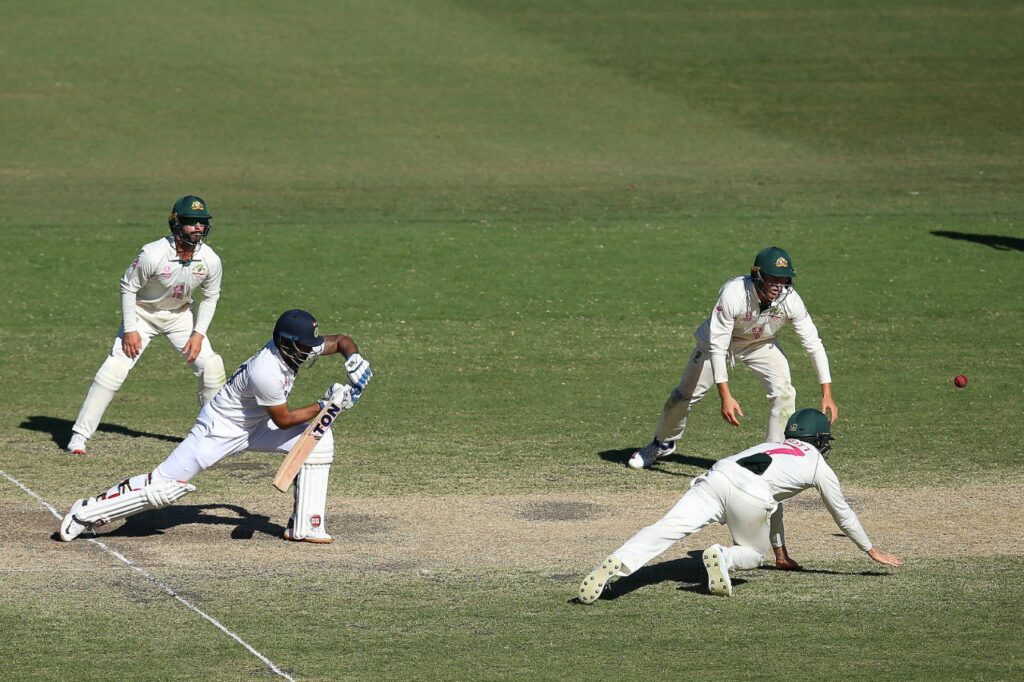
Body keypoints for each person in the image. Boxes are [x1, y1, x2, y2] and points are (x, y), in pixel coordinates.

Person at [58, 309, 373, 544]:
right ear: (287, 343)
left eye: (311, 345)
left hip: (255, 426)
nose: (310, 350)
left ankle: (306, 525)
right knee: (165, 488)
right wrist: (325, 405)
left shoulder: (299, 346)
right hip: (218, 430)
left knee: (319, 439)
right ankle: (87, 511)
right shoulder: (267, 370)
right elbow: (284, 419)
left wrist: (354, 359)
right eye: (305, 346)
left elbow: (342, 340)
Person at [578, 408, 902, 603]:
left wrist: (782, 552)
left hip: (717, 478)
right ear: (819, 440)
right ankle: (724, 556)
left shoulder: (772, 446)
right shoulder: (817, 465)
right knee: (753, 553)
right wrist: (870, 550)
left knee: (665, 529)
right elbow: (841, 512)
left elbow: (778, 505)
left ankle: (618, 562)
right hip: (751, 497)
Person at [629, 246, 838, 470]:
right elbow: (718, 347)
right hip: (718, 344)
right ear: (757, 275)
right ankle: (662, 444)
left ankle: (773, 460)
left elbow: (813, 343)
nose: (778, 286)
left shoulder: (791, 300)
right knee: (681, 398)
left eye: (783, 280)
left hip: (760, 343)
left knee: (785, 393)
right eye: (772, 278)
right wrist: (725, 396)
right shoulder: (734, 293)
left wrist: (827, 393)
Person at [67, 195, 227, 455]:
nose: (198, 228)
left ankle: (212, 434)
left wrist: (198, 334)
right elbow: (128, 287)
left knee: (211, 366)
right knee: (115, 369)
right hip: (143, 315)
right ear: (176, 224)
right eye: (191, 222)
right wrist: (130, 328)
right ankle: (79, 436)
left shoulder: (210, 259)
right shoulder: (152, 254)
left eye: (202, 222)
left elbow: (211, 296)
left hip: (180, 317)